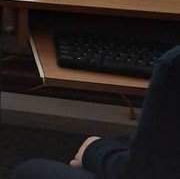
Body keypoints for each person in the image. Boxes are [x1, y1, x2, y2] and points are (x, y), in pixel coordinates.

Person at [11, 45, 180, 179]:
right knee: (121, 142)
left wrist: (92, 151)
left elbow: (143, 173)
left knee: (30, 171)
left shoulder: (173, 65)